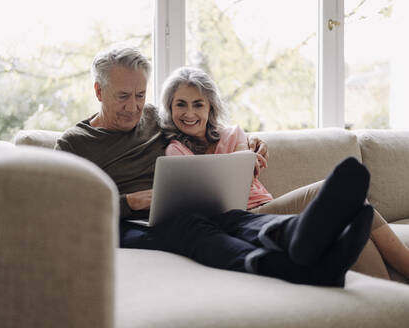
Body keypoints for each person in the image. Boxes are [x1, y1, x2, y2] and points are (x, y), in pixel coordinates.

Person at [55, 46, 375, 287]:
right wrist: (131, 201)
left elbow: (203, 130)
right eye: (123, 96)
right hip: (127, 226)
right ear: (98, 91)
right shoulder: (75, 143)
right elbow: (67, 212)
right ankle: (286, 266)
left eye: (140, 95)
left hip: (175, 208)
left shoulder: (153, 117)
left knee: (232, 217)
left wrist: (252, 143)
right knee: (191, 228)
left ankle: (293, 235)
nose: (134, 107)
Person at [159, 66, 409, 281]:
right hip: (240, 222)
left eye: (197, 104)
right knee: (329, 191)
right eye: (181, 104)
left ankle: (391, 303)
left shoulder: (232, 134)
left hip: (269, 208)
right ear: (170, 107)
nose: (189, 113)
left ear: (210, 106)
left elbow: (245, 170)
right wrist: (243, 158)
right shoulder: (176, 150)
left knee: (349, 216)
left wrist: (246, 156)